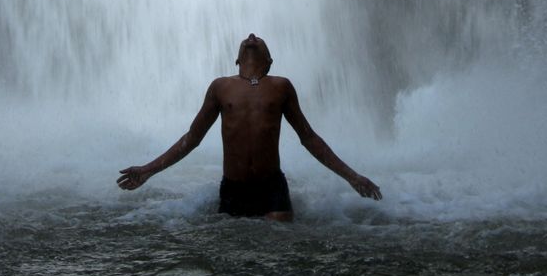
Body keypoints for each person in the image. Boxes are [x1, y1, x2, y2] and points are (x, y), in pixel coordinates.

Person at [117, 33, 381, 222]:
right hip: (234, 188)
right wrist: (148, 170)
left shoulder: (281, 86)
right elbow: (192, 138)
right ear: (237, 60)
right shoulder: (220, 87)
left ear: (269, 61)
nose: (252, 35)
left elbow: (309, 138)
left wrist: (352, 177)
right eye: (247, 39)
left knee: (277, 246)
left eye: (259, 39)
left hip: (272, 186)